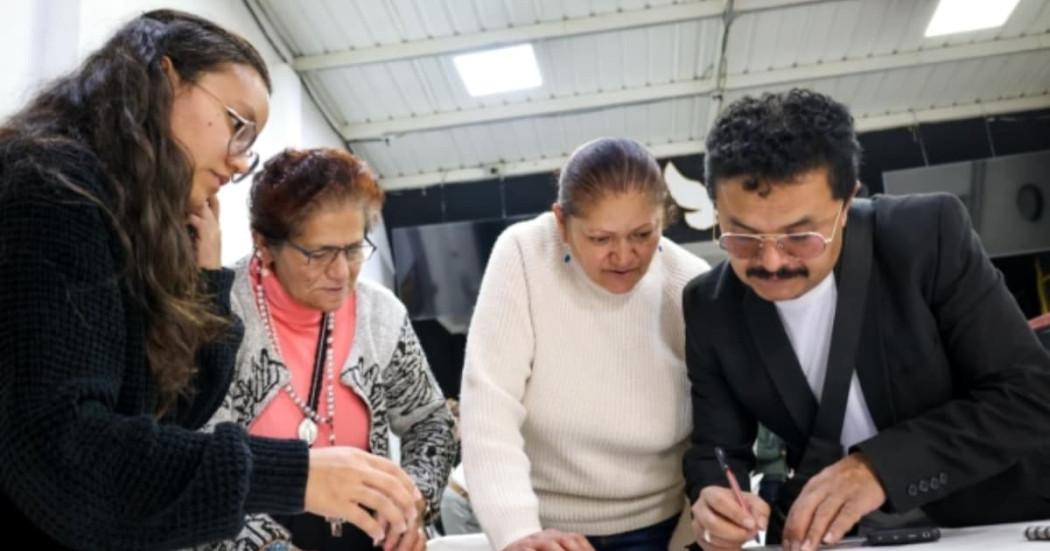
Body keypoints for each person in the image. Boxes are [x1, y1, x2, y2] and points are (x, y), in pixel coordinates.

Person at [0, 10, 418, 550]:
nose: (238, 163)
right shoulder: (52, 192)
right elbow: (64, 451)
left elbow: (171, 414)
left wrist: (204, 281)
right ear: (165, 78)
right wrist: (294, 476)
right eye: (237, 124)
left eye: (352, 249)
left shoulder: (122, 220)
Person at [682, 89, 1050, 551]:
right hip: (845, 539)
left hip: (998, 521)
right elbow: (715, 449)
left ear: (847, 202)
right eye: (741, 236)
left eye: (801, 235)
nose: (771, 261)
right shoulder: (710, 305)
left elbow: (1029, 395)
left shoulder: (926, 237)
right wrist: (716, 497)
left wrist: (878, 468)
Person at [460, 137, 711, 551]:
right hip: (545, 524)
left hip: (658, 524)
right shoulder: (523, 254)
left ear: (662, 219)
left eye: (643, 234)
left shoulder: (690, 282)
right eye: (600, 239)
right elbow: (489, 405)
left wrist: (690, 537)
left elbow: (711, 430)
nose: (624, 255)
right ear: (560, 221)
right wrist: (518, 533)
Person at [204, 147, 457, 551]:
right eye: (318, 254)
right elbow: (196, 455)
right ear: (264, 245)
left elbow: (431, 423)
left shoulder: (381, 315)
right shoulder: (216, 310)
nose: (342, 273)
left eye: (354, 249)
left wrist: (412, 504)